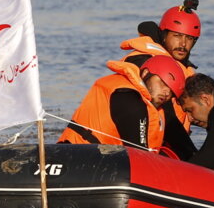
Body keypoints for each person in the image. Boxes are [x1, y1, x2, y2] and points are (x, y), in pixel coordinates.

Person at [119, 0, 203, 159]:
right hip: (133, 146)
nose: (183, 44)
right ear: (164, 35)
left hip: (162, 146)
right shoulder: (145, 63)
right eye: (177, 36)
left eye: (189, 38)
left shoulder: (182, 68)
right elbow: (168, 116)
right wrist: (194, 157)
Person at [58, 55, 187, 152]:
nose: (165, 92)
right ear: (146, 73)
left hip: (93, 157)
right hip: (77, 155)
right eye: (162, 83)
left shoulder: (157, 108)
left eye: (171, 91)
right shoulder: (129, 101)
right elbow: (140, 155)